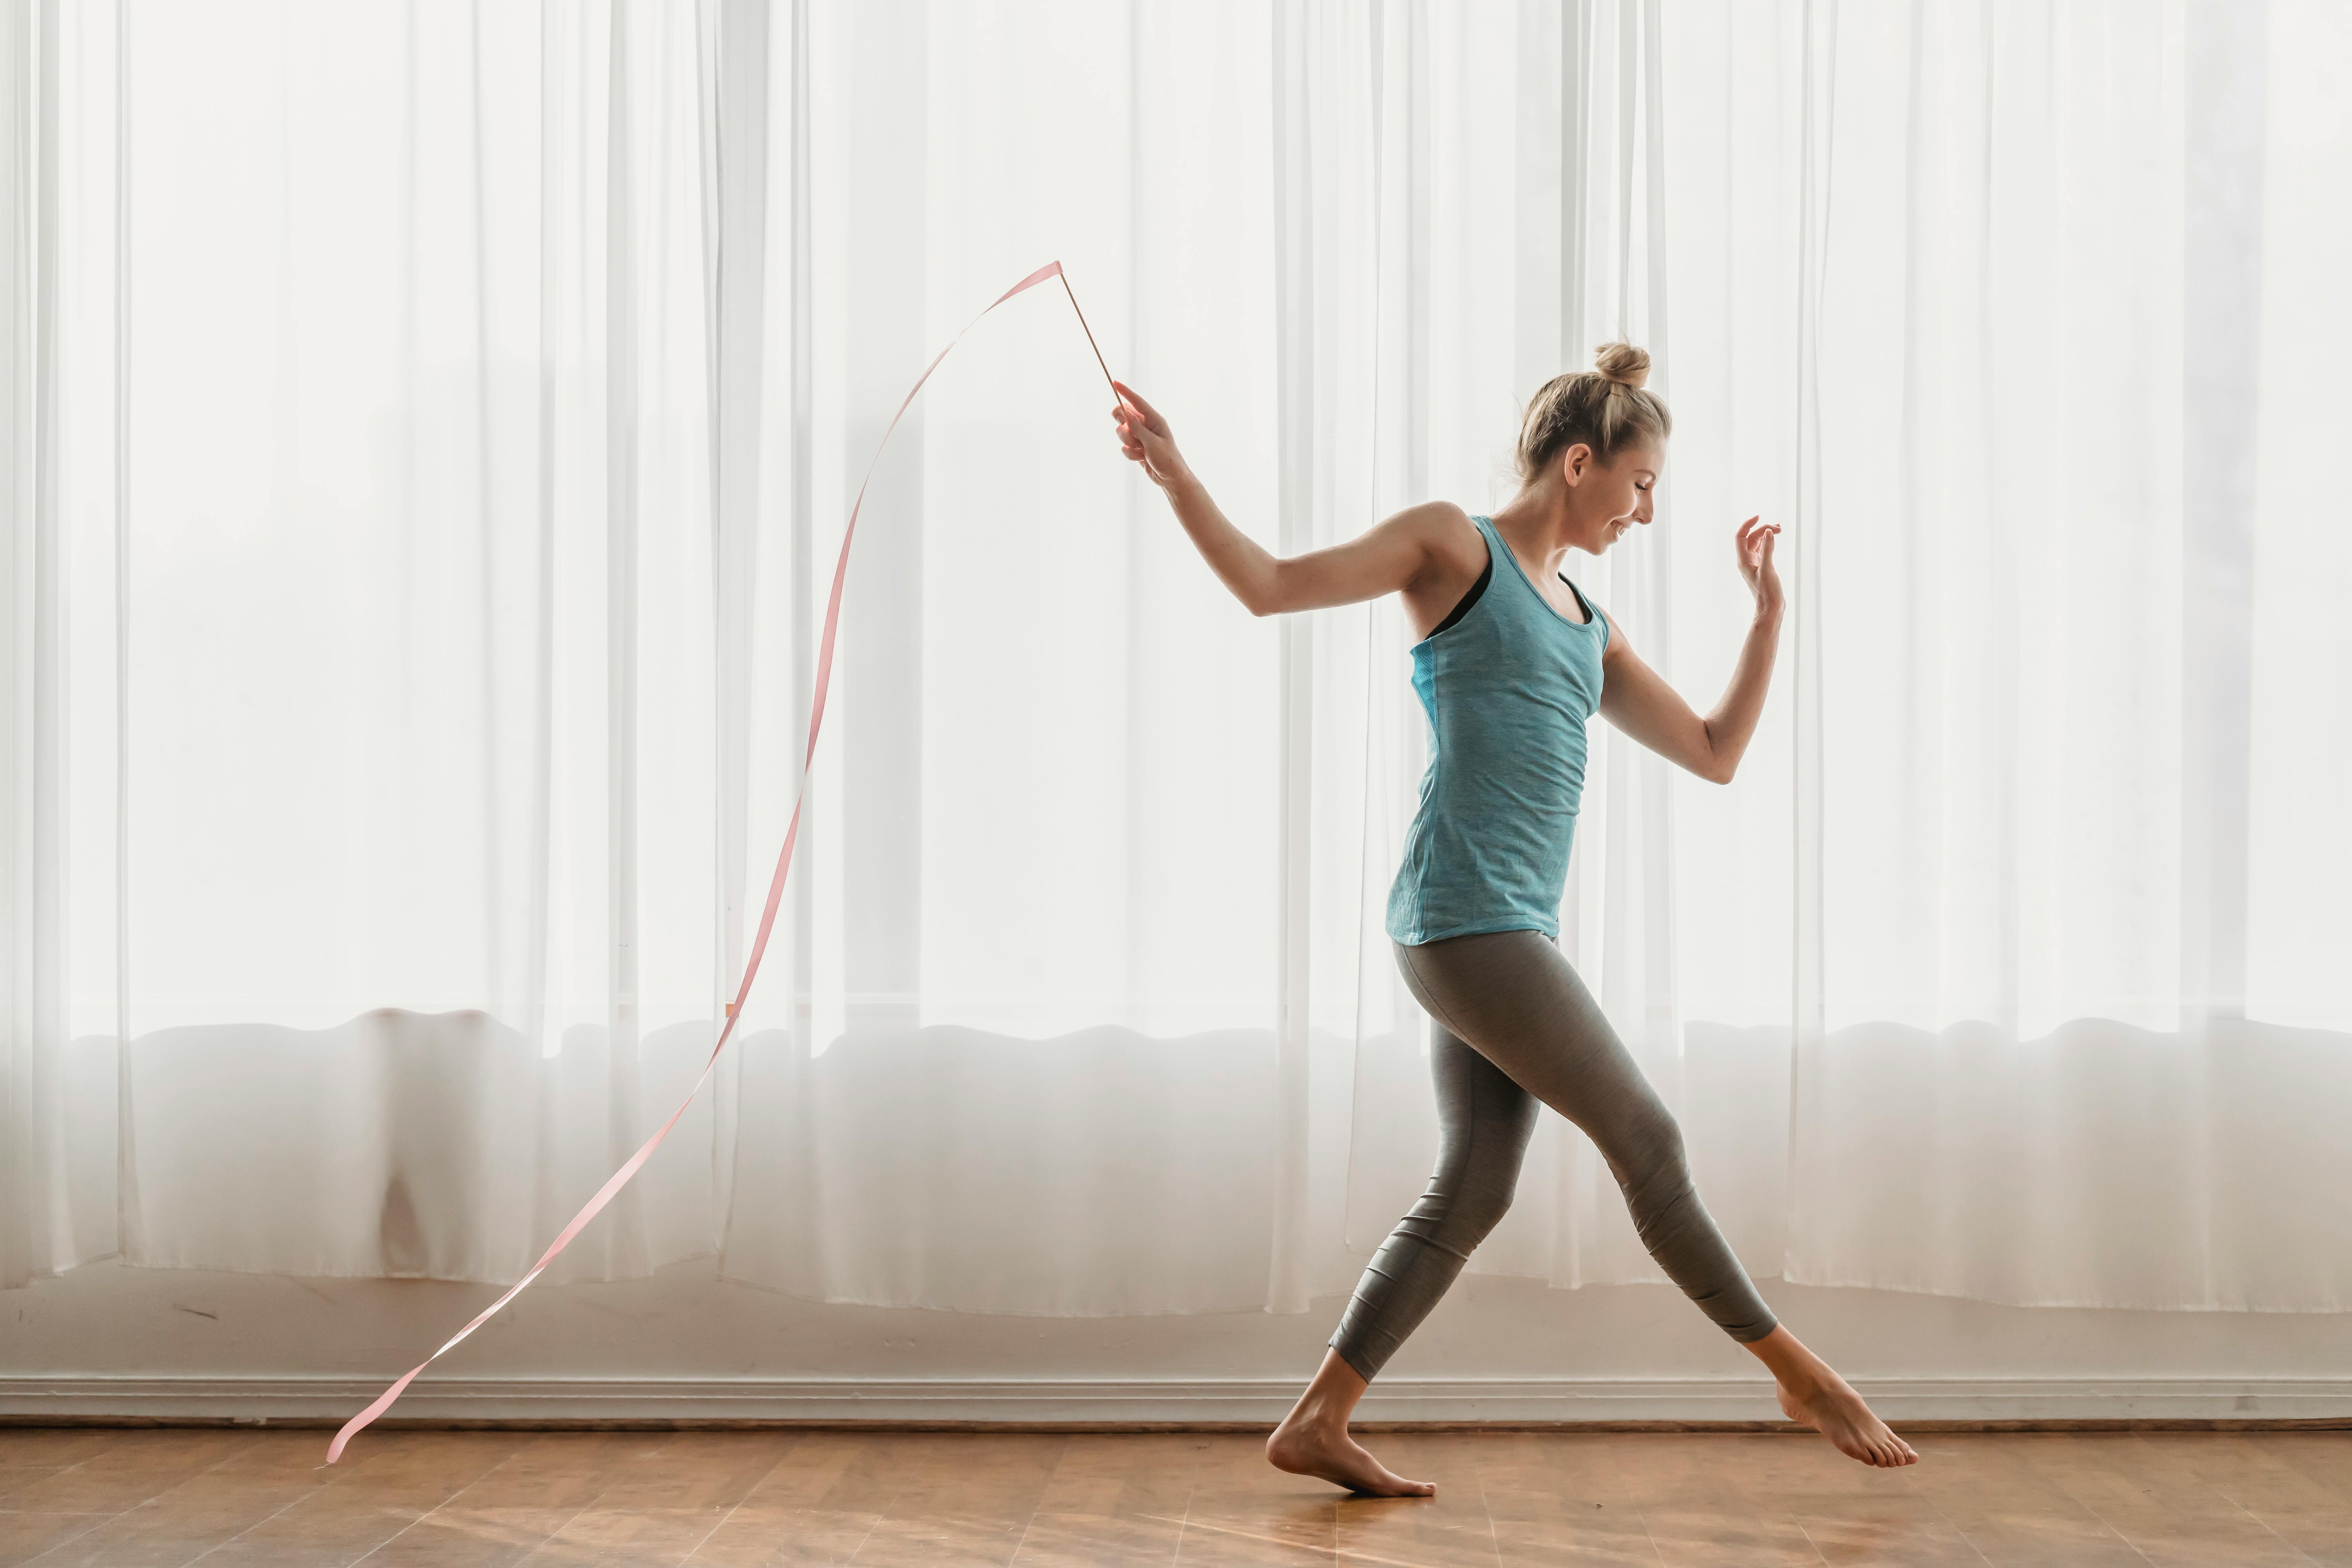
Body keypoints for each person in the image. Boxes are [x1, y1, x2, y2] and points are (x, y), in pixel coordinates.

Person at [1107, 343, 1918, 1495]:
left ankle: (1317, 1422)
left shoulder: (1589, 622)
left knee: (1476, 1184)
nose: (1646, 512)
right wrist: (1180, 474)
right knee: (1650, 1143)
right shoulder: (1453, 548)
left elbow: (1713, 753)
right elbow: (1268, 584)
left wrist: (1767, 618)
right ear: (1581, 463)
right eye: (1640, 486)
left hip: (1507, 929)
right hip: (1460, 919)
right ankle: (1797, 1372)